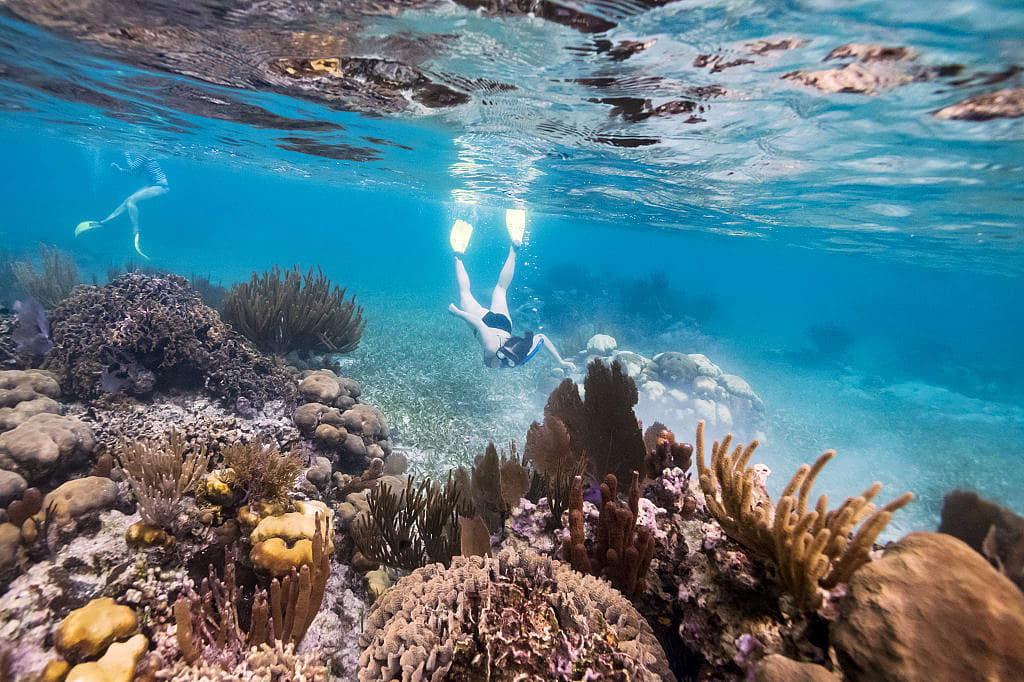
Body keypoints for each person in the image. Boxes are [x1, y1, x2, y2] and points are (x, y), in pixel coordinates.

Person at [448, 212, 576, 371]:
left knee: (501, 289)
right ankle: (458, 257)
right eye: (503, 358)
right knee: (465, 295)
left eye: (507, 362)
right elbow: (478, 323)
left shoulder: (524, 354)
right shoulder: (492, 347)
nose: (503, 362)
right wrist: (457, 313)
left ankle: (514, 249)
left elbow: (541, 338)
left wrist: (561, 362)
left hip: (504, 324)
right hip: (488, 325)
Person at [74, 151, 169, 260]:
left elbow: (133, 167)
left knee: (131, 202)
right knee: (127, 201)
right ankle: (104, 222)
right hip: (152, 185)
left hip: (161, 186)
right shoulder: (141, 154)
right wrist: (120, 170)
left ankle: (136, 230)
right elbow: (135, 173)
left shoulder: (144, 152)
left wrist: (127, 154)